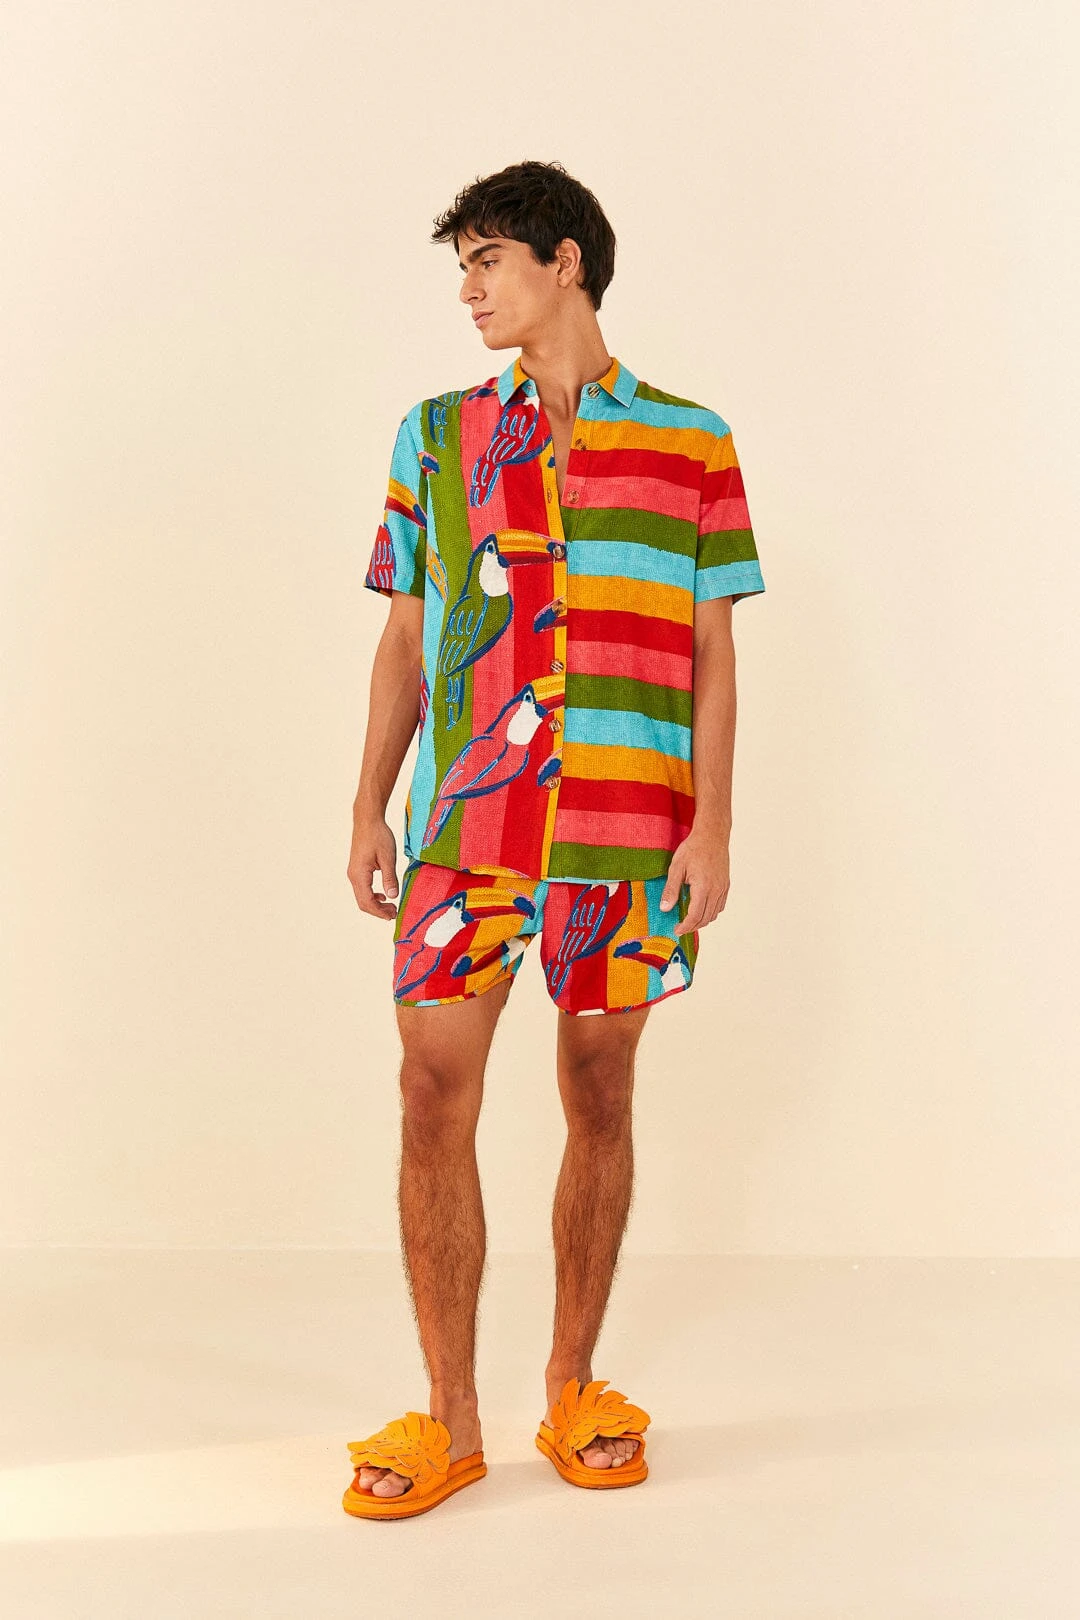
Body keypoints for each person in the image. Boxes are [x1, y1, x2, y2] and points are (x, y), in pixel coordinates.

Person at [343, 160, 765, 1518]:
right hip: (467, 826)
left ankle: (572, 1383)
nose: (467, 290)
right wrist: (368, 803)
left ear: (564, 260)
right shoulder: (435, 436)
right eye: (460, 266)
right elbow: (407, 633)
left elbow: (712, 653)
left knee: (599, 1090)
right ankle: (449, 1416)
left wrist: (711, 825)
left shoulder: (694, 442)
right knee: (430, 1089)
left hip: (627, 832)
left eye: (487, 260)